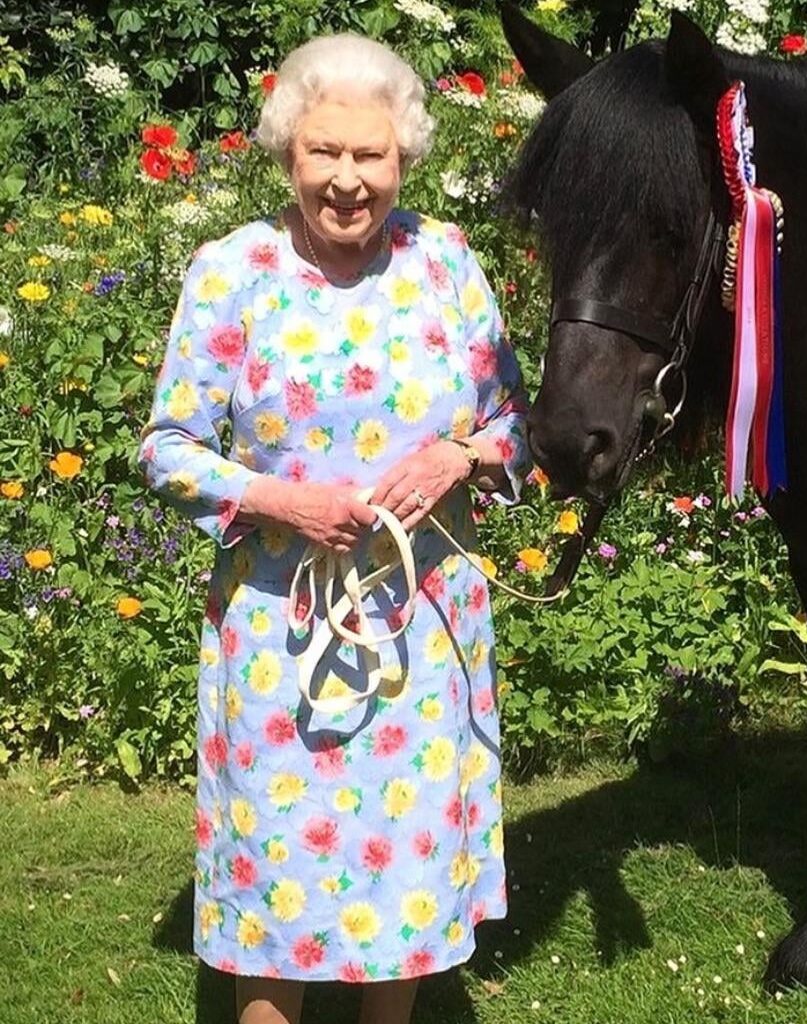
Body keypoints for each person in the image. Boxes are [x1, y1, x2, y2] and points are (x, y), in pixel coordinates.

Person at [138, 33, 529, 1024]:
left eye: (370, 156)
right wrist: (281, 498)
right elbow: (168, 449)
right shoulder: (234, 272)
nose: (348, 181)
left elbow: (519, 427)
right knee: (277, 857)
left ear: (404, 158)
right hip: (280, 631)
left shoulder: (447, 265)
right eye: (325, 153)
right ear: (288, 154)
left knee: (401, 864)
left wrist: (462, 457)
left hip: (422, 627)